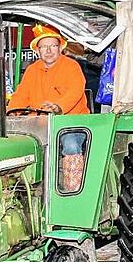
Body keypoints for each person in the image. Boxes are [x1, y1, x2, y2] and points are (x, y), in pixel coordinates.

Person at [8, 24, 89, 191]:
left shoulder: (71, 66)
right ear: (37, 51)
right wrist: (12, 110)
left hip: (70, 124)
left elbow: (75, 91)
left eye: (53, 46)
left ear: (60, 48)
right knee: (19, 145)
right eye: (44, 47)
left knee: (71, 145)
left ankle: (73, 191)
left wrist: (58, 107)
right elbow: (21, 94)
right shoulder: (32, 70)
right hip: (40, 125)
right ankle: (23, 187)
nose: (49, 50)